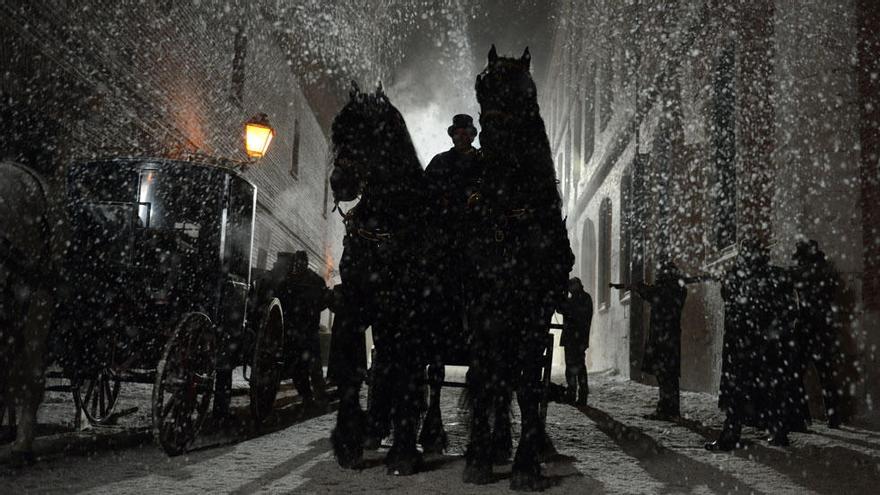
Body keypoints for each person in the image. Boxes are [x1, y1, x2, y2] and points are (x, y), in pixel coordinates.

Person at [419, 113, 482, 453]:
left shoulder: (482, 162)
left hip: (473, 239)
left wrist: (476, 199)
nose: (461, 137)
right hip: (445, 239)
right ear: (453, 134)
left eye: (466, 132)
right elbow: (425, 195)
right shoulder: (440, 163)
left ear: (472, 134)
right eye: (457, 132)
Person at [611, 261, 688, 420]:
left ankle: (668, 409)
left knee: (666, 374)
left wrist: (637, 287)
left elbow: (654, 294)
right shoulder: (675, 288)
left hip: (664, 336)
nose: (658, 276)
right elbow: (653, 293)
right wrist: (635, 286)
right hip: (667, 335)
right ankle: (668, 408)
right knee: (666, 374)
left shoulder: (670, 289)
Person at [791, 239, 843, 428]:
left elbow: (793, 278)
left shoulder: (803, 273)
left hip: (806, 327)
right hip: (824, 327)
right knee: (826, 374)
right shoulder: (827, 270)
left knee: (796, 373)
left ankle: (803, 417)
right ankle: (833, 416)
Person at [274, 251, 330, 404]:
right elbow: (324, 301)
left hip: (300, 329)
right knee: (308, 366)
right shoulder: (311, 281)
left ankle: (311, 396)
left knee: (305, 366)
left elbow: (280, 300)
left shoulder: (291, 281)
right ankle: (313, 396)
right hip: (304, 329)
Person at [557, 277, 593, 406]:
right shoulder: (579, 298)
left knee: (578, 367)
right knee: (572, 366)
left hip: (576, 338)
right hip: (574, 338)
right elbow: (563, 310)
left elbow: (570, 312)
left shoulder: (582, 299)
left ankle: (579, 394)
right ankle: (574, 393)